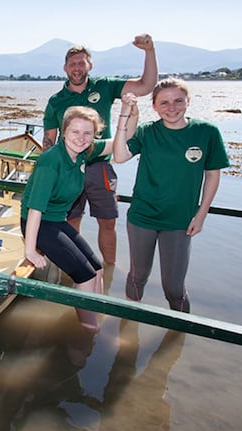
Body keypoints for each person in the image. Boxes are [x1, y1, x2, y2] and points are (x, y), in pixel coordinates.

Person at [112, 80, 229, 312]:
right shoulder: (147, 132)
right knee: (137, 277)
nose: (171, 107)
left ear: (188, 101)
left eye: (178, 101)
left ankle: (179, 334)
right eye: (164, 102)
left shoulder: (207, 132)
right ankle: (129, 324)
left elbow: (212, 175)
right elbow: (119, 156)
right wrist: (125, 114)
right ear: (154, 106)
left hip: (180, 221)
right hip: (142, 217)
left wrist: (201, 214)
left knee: (173, 287)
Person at [42, 34, 158, 265]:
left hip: (99, 167)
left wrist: (149, 51)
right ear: (65, 68)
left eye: (81, 63)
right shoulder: (56, 101)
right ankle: (76, 270)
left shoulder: (104, 86)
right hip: (69, 171)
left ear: (90, 65)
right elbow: (48, 143)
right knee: (70, 222)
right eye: (72, 64)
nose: (77, 68)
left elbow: (146, 85)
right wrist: (47, 176)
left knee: (107, 222)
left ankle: (109, 271)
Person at [22, 106, 114, 331]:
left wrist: (128, 116)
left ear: (94, 136)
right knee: (84, 275)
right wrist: (30, 251)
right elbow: (35, 210)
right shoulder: (51, 161)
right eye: (75, 132)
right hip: (40, 223)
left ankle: (96, 310)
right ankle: (89, 328)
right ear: (63, 132)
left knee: (98, 268)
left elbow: (117, 145)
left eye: (87, 134)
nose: (81, 138)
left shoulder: (84, 151)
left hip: (57, 220)